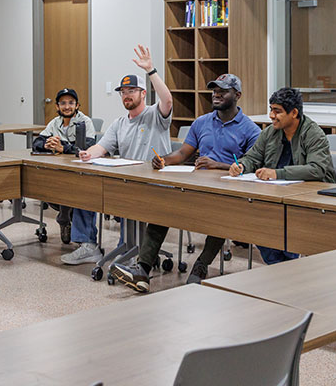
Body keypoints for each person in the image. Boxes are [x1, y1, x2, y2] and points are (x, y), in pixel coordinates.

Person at [113, 74, 259, 292]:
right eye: (214, 90)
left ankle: (200, 268)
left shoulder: (250, 129)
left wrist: (218, 165)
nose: (217, 95)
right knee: (163, 209)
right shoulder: (201, 122)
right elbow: (182, 153)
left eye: (223, 91)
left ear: (237, 95)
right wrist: (164, 160)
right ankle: (142, 270)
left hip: (228, 192)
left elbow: (252, 165)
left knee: (220, 218)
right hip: (196, 187)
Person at [79, 45, 172, 291]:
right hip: (128, 184)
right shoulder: (120, 122)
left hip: (154, 185)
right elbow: (103, 146)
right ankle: (130, 253)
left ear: (143, 93)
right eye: (123, 92)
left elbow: (168, 99)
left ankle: (136, 258)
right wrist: (89, 154)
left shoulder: (155, 115)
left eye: (132, 91)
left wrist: (151, 70)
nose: (126, 95)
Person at [229, 87, 336, 265]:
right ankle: (281, 267)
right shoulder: (270, 132)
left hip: (309, 199)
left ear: (294, 113)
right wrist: (241, 165)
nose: (271, 116)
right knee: (256, 222)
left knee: (287, 231)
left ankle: (289, 265)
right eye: (271, 110)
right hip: (276, 196)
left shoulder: (314, 134)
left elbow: (317, 169)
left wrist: (277, 173)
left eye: (277, 111)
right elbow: (253, 157)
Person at [32, 87, 99, 265]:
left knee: (75, 192)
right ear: (57, 106)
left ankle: (66, 219)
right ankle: (65, 217)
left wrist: (63, 147)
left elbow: (88, 147)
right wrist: (47, 144)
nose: (67, 106)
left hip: (79, 172)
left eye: (71, 103)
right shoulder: (55, 122)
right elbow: (36, 142)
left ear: (77, 105)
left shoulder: (85, 122)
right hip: (58, 172)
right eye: (63, 103)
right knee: (52, 190)